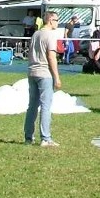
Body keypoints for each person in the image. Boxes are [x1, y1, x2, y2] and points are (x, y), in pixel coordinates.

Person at [23, 11, 62, 147]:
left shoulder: (36, 33)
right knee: (46, 106)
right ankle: (46, 138)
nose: (58, 22)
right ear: (50, 20)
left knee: (32, 106)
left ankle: (28, 137)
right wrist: (57, 77)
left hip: (32, 72)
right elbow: (51, 57)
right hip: (45, 73)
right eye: (56, 20)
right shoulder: (50, 35)